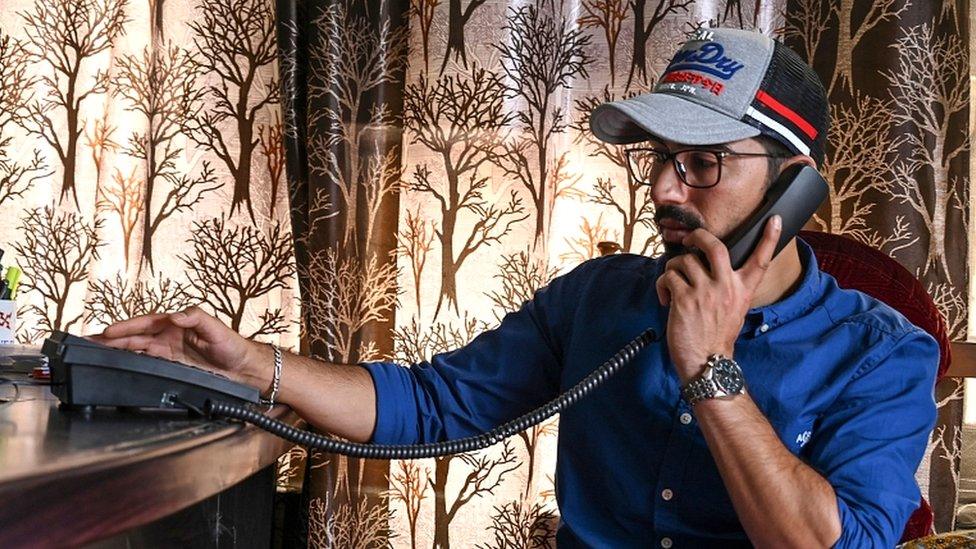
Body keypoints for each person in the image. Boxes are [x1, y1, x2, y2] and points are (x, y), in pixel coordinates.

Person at [94, 28, 938, 547]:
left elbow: (827, 543)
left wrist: (710, 369)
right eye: (658, 159)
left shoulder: (886, 354)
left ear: (793, 185)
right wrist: (254, 365)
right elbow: (432, 404)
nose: (664, 191)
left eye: (704, 164)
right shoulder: (600, 297)